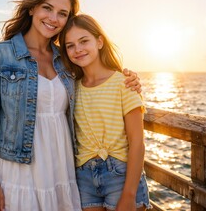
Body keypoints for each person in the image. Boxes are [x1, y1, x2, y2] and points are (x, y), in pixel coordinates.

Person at [0, 0, 141, 211]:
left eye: (62, 13)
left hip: (63, 169)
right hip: (17, 170)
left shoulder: (67, 58)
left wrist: (130, 79)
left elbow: (98, 82)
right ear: (32, 8)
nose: (53, 18)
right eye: (47, 8)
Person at [59, 14, 152, 211]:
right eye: (70, 45)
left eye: (84, 41)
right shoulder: (71, 88)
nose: (78, 49)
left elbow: (137, 142)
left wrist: (129, 194)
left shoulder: (123, 83)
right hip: (84, 177)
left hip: (120, 175)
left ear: (99, 41)